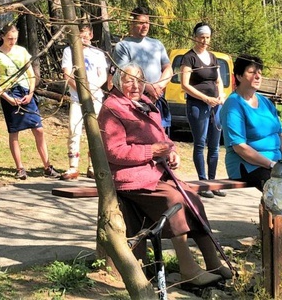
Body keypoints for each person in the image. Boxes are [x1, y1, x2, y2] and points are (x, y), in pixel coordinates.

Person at [99, 64, 231, 286]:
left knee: (193, 198)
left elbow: (163, 138)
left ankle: (213, 262)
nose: (135, 85)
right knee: (175, 200)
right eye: (129, 80)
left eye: (139, 80)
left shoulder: (147, 103)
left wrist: (172, 152)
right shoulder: (111, 109)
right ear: (119, 82)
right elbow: (114, 152)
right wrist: (151, 151)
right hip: (131, 177)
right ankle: (188, 268)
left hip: (158, 172)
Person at [0, 23, 60, 180]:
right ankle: (20, 168)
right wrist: (7, 97)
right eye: (9, 38)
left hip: (26, 92)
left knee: (38, 129)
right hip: (9, 92)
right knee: (14, 131)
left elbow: (31, 74)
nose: (12, 41)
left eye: (15, 38)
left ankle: (47, 166)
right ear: (2, 37)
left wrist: (31, 93)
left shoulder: (22, 51)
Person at [220, 54, 282, 191]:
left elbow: (281, 134)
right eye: (252, 72)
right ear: (239, 76)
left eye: (260, 72)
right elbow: (240, 147)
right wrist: (272, 165)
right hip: (250, 166)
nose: (258, 76)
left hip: (277, 165)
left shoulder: (266, 102)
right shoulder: (233, 105)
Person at [180, 23, 225, 198]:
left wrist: (221, 96)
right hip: (197, 105)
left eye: (207, 37)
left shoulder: (213, 57)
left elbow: (219, 80)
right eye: (201, 37)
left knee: (214, 145)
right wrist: (205, 98)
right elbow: (185, 84)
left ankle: (213, 183)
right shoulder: (189, 58)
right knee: (200, 143)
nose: (204, 41)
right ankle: (202, 182)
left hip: (216, 106)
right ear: (195, 37)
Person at [112, 6, 173, 134]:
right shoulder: (123, 46)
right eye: (141, 23)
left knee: (160, 135)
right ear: (132, 23)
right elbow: (124, 74)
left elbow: (168, 68)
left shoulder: (157, 44)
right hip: (136, 100)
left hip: (158, 98)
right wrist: (148, 87)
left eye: (147, 22)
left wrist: (158, 86)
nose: (145, 26)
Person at [60, 22, 109, 181]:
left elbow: (102, 75)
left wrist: (92, 89)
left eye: (86, 35)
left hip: (95, 96)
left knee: (95, 131)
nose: (84, 38)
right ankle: (73, 165)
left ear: (91, 35)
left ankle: (93, 166)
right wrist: (81, 90)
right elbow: (67, 74)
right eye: (80, 36)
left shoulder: (98, 53)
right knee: (74, 129)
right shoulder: (70, 51)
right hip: (77, 97)